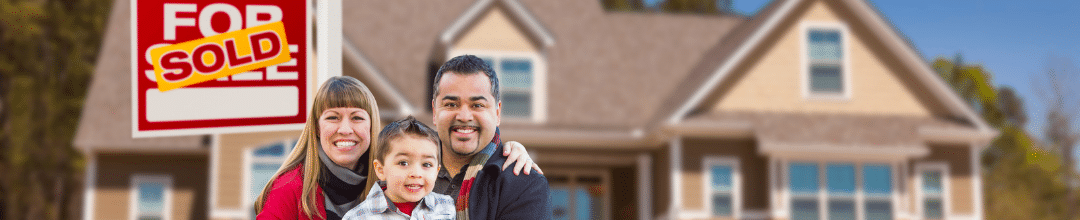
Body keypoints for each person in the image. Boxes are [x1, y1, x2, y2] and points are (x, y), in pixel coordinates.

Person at [255, 76, 539, 220]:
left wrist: (506, 147)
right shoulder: (292, 188)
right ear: (316, 128)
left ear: (372, 126)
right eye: (332, 117)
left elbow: (433, 148)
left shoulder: (396, 173)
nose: (345, 129)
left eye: (356, 118)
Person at [430, 55, 552, 219]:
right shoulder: (401, 170)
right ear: (434, 112)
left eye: (477, 105)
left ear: (497, 112)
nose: (464, 116)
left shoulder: (525, 185)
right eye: (451, 104)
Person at [343, 116, 455, 220]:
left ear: (436, 172)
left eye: (426, 164)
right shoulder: (358, 217)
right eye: (403, 163)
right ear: (380, 170)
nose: (416, 173)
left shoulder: (446, 206)